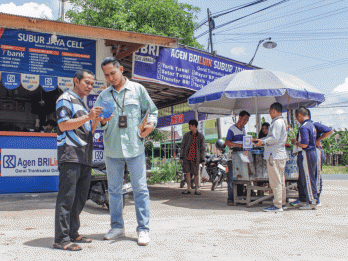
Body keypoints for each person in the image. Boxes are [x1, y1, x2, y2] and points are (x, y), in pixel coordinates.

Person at [95, 57, 157, 246]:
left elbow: (152, 111)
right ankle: (117, 227)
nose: (110, 78)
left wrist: (151, 125)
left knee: (140, 189)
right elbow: (99, 121)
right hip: (113, 148)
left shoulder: (138, 90)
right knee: (113, 191)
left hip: (134, 147)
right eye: (106, 75)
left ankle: (143, 229)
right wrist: (103, 121)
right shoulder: (104, 95)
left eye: (112, 73)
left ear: (121, 69)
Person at [54, 69, 103, 251]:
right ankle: (61, 239)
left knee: (80, 198)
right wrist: (88, 116)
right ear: (76, 81)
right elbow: (63, 124)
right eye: (87, 83)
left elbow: (88, 129)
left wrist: (95, 120)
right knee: (66, 198)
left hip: (84, 156)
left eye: (92, 84)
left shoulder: (82, 103)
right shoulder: (65, 98)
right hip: (70, 154)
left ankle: (73, 233)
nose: (90, 86)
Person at [253, 103, 288, 212]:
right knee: (280, 181)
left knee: (275, 181)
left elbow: (274, 139)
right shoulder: (281, 122)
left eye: (269, 111)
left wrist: (262, 142)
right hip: (279, 155)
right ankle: (282, 202)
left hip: (275, 156)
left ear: (273, 110)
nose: (269, 114)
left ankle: (277, 205)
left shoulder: (277, 122)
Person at [290, 106, 318, 210]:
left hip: (306, 154)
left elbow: (304, 144)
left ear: (300, 115)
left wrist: (296, 143)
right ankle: (304, 200)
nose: (296, 120)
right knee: (306, 178)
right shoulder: (312, 125)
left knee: (308, 178)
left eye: (296, 117)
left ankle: (312, 201)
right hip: (312, 153)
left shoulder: (304, 127)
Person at [225, 110, 250, 206]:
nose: (245, 122)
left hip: (242, 157)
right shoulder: (232, 129)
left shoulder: (243, 130)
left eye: (247, 120)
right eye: (244, 119)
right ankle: (230, 198)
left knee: (241, 178)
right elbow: (227, 142)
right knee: (232, 179)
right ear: (239, 118)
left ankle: (239, 197)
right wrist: (239, 145)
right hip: (233, 157)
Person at [180, 119, 206, 195]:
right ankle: (188, 188)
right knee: (187, 173)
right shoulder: (186, 135)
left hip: (196, 158)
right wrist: (181, 157)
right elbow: (182, 146)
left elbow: (203, 149)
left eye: (190, 125)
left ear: (194, 126)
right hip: (186, 157)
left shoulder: (201, 136)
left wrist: (203, 159)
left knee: (196, 174)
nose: (189, 127)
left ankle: (197, 189)